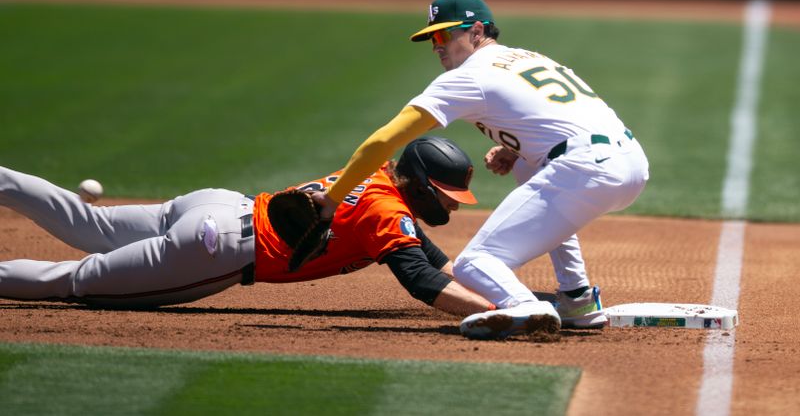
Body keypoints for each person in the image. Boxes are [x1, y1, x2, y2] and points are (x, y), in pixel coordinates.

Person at [311, 0, 650, 339]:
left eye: (444, 35)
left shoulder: (467, 76)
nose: (436, 46)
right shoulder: (527, 57)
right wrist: (515, 149)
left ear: (476, 31)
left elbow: (384, 142)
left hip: (585, 168)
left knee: (474, 264)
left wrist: (333, 199)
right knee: (527, 168)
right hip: (630, 162)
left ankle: (524, 305)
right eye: (431, 38)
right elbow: (561, 116)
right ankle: (576, 298)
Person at [0, 137, 494, 316]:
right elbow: (423, 282)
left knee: (84, 219)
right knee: (76, 282)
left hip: (214, 206)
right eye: (446, 198)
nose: (451, 209)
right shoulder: (385, 212)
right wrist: (494, 316)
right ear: (421, 186)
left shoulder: (376, 181)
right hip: (214, 249)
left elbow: (434, 260)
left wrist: (508, 302)